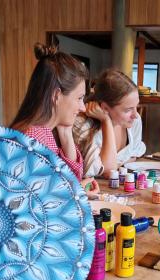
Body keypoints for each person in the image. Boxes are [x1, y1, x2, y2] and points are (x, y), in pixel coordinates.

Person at [10, 43, 99, 194]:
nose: (83, 107)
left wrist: (66, 132)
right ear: (56, 95)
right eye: (79, 98)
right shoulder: (33, 139)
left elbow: (66, 183)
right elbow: (40, 205)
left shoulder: (42, 132)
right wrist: (77, 194)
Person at [72, 68, 146, 178]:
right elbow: (108, 171)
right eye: (128, 110)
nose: (135, 115)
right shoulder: (84, 125)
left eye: (136, 106)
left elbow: (134, 156)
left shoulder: (134, 121)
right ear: (105, 108)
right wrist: (106, 121)